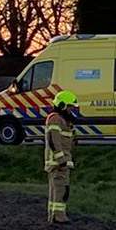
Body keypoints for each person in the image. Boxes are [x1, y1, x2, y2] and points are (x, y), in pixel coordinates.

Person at [43, 90, 78, 223]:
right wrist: (61, 160)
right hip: (58, 163)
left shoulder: (62, 120)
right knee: (60, 190)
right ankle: (58, 217)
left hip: (61, 162)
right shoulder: (55, 119)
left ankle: (54, 215)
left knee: (58, 189)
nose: (71, 110)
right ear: (62, 105)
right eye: (70, 107)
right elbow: (53, 140)